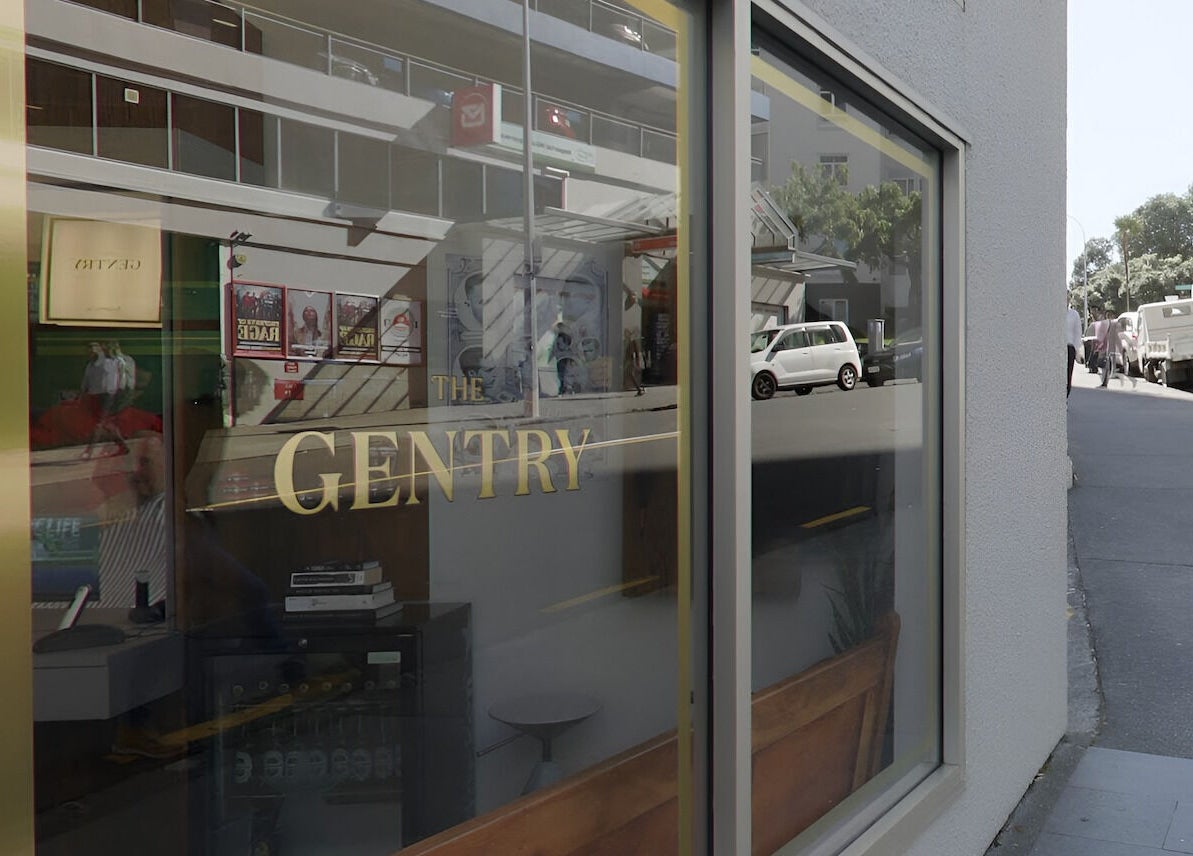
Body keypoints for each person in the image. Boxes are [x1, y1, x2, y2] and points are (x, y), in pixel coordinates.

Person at [1099, 312, 1126, 388]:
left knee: (1109, 360)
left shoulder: (1112, 323)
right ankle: (1111, 374)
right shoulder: (1112, 323)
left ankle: (1109, 375)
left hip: (1111, 344)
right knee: (1110, 360)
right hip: (1111, 344)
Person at [1066, 303, 1083, 397]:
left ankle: (1066, 396)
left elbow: (1077, 332)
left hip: (1069, 347)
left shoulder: (1074, 314)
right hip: (1056, 348)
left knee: (1068, 374)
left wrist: (1076, 349)